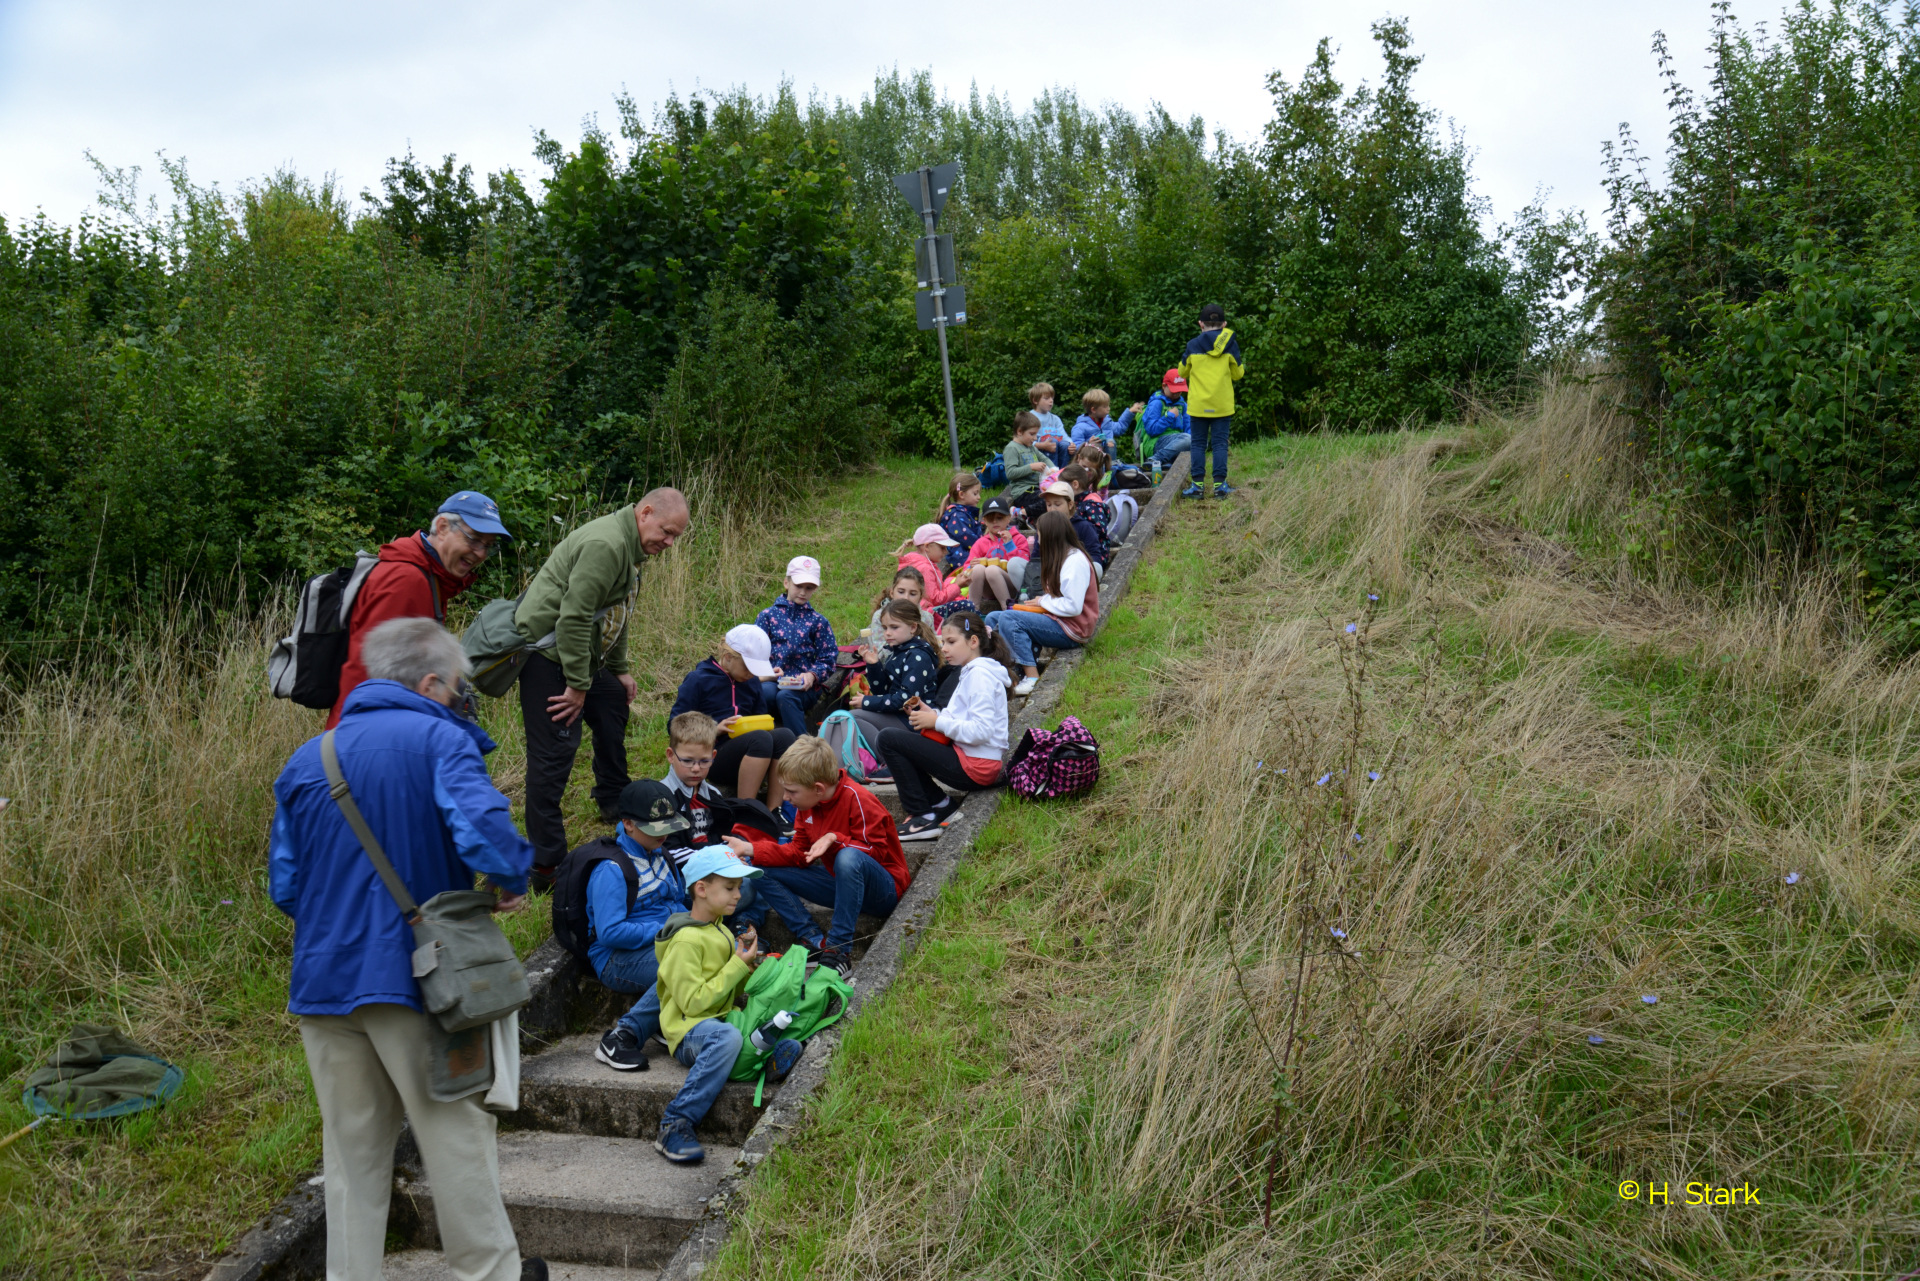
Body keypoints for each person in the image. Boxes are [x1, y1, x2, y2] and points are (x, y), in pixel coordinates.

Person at [268, 617, 544, 1281]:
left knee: (351, 1156)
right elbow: (483, 831)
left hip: (324, 983)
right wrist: (509, 879)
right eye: (456, 686)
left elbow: (285, 884)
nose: (459, 697)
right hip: (420, 980)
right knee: (455, 1136)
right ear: (429, 681)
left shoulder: (311, 757)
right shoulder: (440, 739)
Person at [516, 488, 691, 890]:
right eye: (666, 532)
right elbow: (573, 619)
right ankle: (546, 865)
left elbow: (616, 613)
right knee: (554, 755)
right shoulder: (606, 545)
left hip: (578, 655)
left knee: (612, 698)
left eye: (675, 537)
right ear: (644, 512)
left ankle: (612, 797)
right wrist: (578, 686)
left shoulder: (632, 549)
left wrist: (620, 669)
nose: (668, 543)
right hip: (548, 657)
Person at [651, 846, 802, 1165]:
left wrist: (749, 966)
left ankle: (760, 1061)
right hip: (689, 1032)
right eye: (730, 887)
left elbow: (726, 989)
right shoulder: (685, 941)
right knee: (729, 1039)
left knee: (764, 1022)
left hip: (722, 1021)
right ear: (702, 890)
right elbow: (693, 1004)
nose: (738, 894)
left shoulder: (719, 929)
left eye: (739, 887)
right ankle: (675, 1122)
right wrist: (736, 964)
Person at [327, 491, 510, 730]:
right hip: (365, 735)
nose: (481, 553)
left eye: (489, 545)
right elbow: (371, 675)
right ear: (443, 527)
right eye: (474, 539)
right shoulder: (407, 579)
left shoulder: (431, 576)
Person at [743, 736, 910, 975]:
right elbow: (798, 854)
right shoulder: (807, 805)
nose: (786, 798)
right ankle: (812, 938)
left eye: (791, 791)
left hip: (883, 890)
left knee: (848, 857)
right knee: (759, 869)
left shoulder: (859, 799)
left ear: (818, 788)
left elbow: (877, 853)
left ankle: (838, 949)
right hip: (842, 886)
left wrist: (835, 838)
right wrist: (751, 849)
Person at [875, 611, 1014, 840]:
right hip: (971, 758)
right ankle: (940, 804)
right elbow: (959, 716)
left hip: (977, 766)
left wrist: (937, 722)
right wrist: (933, 714)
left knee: (889, 739)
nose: (945, 649)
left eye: (951, 642)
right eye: (943, 642)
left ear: (973, 642)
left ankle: (923, 816)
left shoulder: (980, 676)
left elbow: (981, 731)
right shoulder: (970, 671)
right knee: (899, 741)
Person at [588, 780, 695, 1073]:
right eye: (655, 827)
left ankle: (663, 1019)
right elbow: (609, 933)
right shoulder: (611, 870)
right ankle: (620, 1037)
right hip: (616, 959)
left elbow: (677, 901)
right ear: (628, 824)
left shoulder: (662, 855)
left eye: (669, 824)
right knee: (683, 962)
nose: (665, 834)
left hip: (662, 942)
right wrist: (667, 928)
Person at [669, 625, 793, 806]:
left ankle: (775, 811)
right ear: (728, 657)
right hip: (710, 756)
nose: (752, 674)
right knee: (760, 739)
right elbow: (673, 726)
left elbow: (760, 718)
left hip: (752, 753)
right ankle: (746, 812)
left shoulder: (751, 682)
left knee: (785, 735)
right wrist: (714, 729)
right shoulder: (699, 680)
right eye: (748, 667)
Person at [986, 512, 1099, 697]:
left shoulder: (1075, 561)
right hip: (1058, 619)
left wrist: (1043, 601)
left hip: (1072, 628)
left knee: (1009, 618)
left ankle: (1031, 677)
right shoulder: (1061, 556)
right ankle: (1006, 672)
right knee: (993, 617)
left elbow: (1074, 606)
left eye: (1039, 534)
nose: (1037, 539)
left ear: (1050, 535)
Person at [756, 555, 838, 738]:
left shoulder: (818, 621)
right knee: (765, 693)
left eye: (809, 588)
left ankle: (802, 749)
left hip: (803, 689)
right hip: (772, 681)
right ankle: (764, 740)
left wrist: (812, 675)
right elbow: (755, 653)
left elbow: (829, 657)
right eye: (798, 586)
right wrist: (764, 674)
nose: (803, 592)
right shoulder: (767, 617)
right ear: (786, 583)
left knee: (786, 697)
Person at [849, 598, 941, 749]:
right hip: (898, 716)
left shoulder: (918, 656)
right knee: (852, 716)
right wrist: (874, 664)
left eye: (894, 627)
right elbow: (882, 691)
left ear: (912, 627)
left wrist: (867, 702)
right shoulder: (898, 651)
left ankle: (886, 760)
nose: (888, 633)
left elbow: (906, 700)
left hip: (913, 722)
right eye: (885, 628)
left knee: (855, 717)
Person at [1179, 304, 1244, 498]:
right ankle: (1220, 487)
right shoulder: (1230, 344)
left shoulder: (1192, 345)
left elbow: (1182, 372)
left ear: (1201, 324)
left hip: (1198, 406)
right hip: (1222, 406)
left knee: (1198, 444)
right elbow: (1238, 374)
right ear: (1224, 324)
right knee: (1220, 445)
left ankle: (1197, 487)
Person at [954, 496, 1029, 615]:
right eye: (990, 519)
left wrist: (1010, 545)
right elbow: (966, 570)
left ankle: (1008, 611)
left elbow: (1024, 565)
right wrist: (970, 567)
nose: (995, 522)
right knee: (978, 568)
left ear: (1008, 518)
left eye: (999, 518)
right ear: (984, 521)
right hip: (987, 590)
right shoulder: (981, 542)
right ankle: (973, 611)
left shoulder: (1018, 539)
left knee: (992, 570)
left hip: (1011, 586)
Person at [895, 524, 965, 609]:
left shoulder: (914, 561)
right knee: (966, 607)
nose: (946, 552)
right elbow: (936, 600)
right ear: (927, 546)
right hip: (927, 614)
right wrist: (957, 585)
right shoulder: (925, 568)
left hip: (915, 610)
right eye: (942, 548)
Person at [1056, 468, 1111, 570]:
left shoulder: (1090, 504)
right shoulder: (1076, 503)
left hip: (1095, 554)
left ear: (1075, 484)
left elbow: (1099, 531)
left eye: (1063, 487)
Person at [1141, 369, 1193, 473]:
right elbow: (1151, 430)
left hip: (1178, 441)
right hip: (1156, 442)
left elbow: (1189, 428)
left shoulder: (1183, 405)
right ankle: (1155, 459)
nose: (1177, 394)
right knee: (1188, 438)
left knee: (1198, 440)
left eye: (1180, 390)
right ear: (1164, 386)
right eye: (1174, 390)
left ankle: (1168, 461)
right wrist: (1169, 416)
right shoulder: (1157, 403)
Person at [866, 567, 940, 636]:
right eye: (901, 592)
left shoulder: (927, 618)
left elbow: (933, 645)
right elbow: (880, 648)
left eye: (912, 594)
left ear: (920, 597)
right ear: (892, 593)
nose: (906, 598)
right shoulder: (879, 617)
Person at [1001, 411, 1049, 518]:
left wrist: (1054, 469)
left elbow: (1044, 459)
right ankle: (1020, 513)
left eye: (1036, 434)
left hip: (1036, 489)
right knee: (1048, 502)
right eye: (1032, 434)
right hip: (1023, 492)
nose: (1035, 438)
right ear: (1019, 431)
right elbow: (1010, 473)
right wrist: (1031, 467)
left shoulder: (1030, 447)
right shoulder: (1012, 448)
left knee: (1056, 497)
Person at [936, 472, 985, 572]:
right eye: (975, 493)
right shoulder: (957, 515)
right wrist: (985, 544)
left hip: (966, 553)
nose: (979, 497)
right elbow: (966, 537)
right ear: (962, 494)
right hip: (960, 557)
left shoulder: (963, 512)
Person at [1070, 388, 1135, 456]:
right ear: (1093, 409)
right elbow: (1075, 449)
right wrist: (1088, 444)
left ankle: (1111, 464)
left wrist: (1130, 412)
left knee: (1110, 441)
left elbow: (1119, 428)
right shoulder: (1080, 427)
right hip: (1090, 462)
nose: (1108, 408)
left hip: (1107, 461)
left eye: (1108, 405)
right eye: (1105, 406)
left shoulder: (1107, 422)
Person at [1029, 382, 1072, 467]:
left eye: (1052, 398)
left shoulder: (1055, 419)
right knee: (1053, 441)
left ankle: (1063, 474)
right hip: (1036, 450)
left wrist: (1071, 444)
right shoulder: (1029, 417)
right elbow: (1024, 440)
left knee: (1065, 445)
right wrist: (1041, 445)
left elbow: (1063, 436)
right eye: (1046, 398)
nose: (1051, 401)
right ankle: (1051, 474)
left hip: (1054, 448)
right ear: (1035, 400)